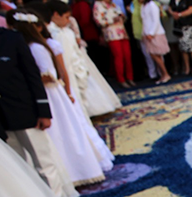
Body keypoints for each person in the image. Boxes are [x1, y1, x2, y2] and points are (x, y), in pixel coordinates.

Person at [10, 10, 114, 186]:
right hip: (48, 93)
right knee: (60, 133)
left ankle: (75, 171)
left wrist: (27, 77)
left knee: (63, 132)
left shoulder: (36, 48)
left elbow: (50, 74)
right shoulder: (34, 46)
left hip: (50, 94)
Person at [0, 22, 78, 197]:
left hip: (25, 111)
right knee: (17, 166)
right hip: (2, 121)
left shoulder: (12, 38)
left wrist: (43, 110)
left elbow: (32, 75)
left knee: (43, 162)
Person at [93, 0, 135, 87]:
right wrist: (112, 20)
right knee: (118, 56)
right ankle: (121, 79)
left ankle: (129, 77)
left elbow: (121, 14)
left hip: (122, 32)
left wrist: (122, 17)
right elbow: (99, 21)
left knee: (127, 55)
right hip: (111, 33)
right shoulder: (98, 5)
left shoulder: (113, 4)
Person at [140, 0, 171, 82]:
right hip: (147, 35)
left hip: (155, 33)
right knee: (153, 55)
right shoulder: (143, 6)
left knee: (157, 55)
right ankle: (163, 74)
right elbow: (144, 22)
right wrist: (144, 34)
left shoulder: (152, 5)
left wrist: (151, 33)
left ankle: (165, 74)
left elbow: (156, 21)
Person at [168, 0, 192, 74]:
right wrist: (173, 13)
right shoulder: (173, 1)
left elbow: (191, 10)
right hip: (179, 27)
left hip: (189, 26)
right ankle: (187, 68)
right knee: (183, 48)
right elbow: (169, 8)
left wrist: (180, 15)